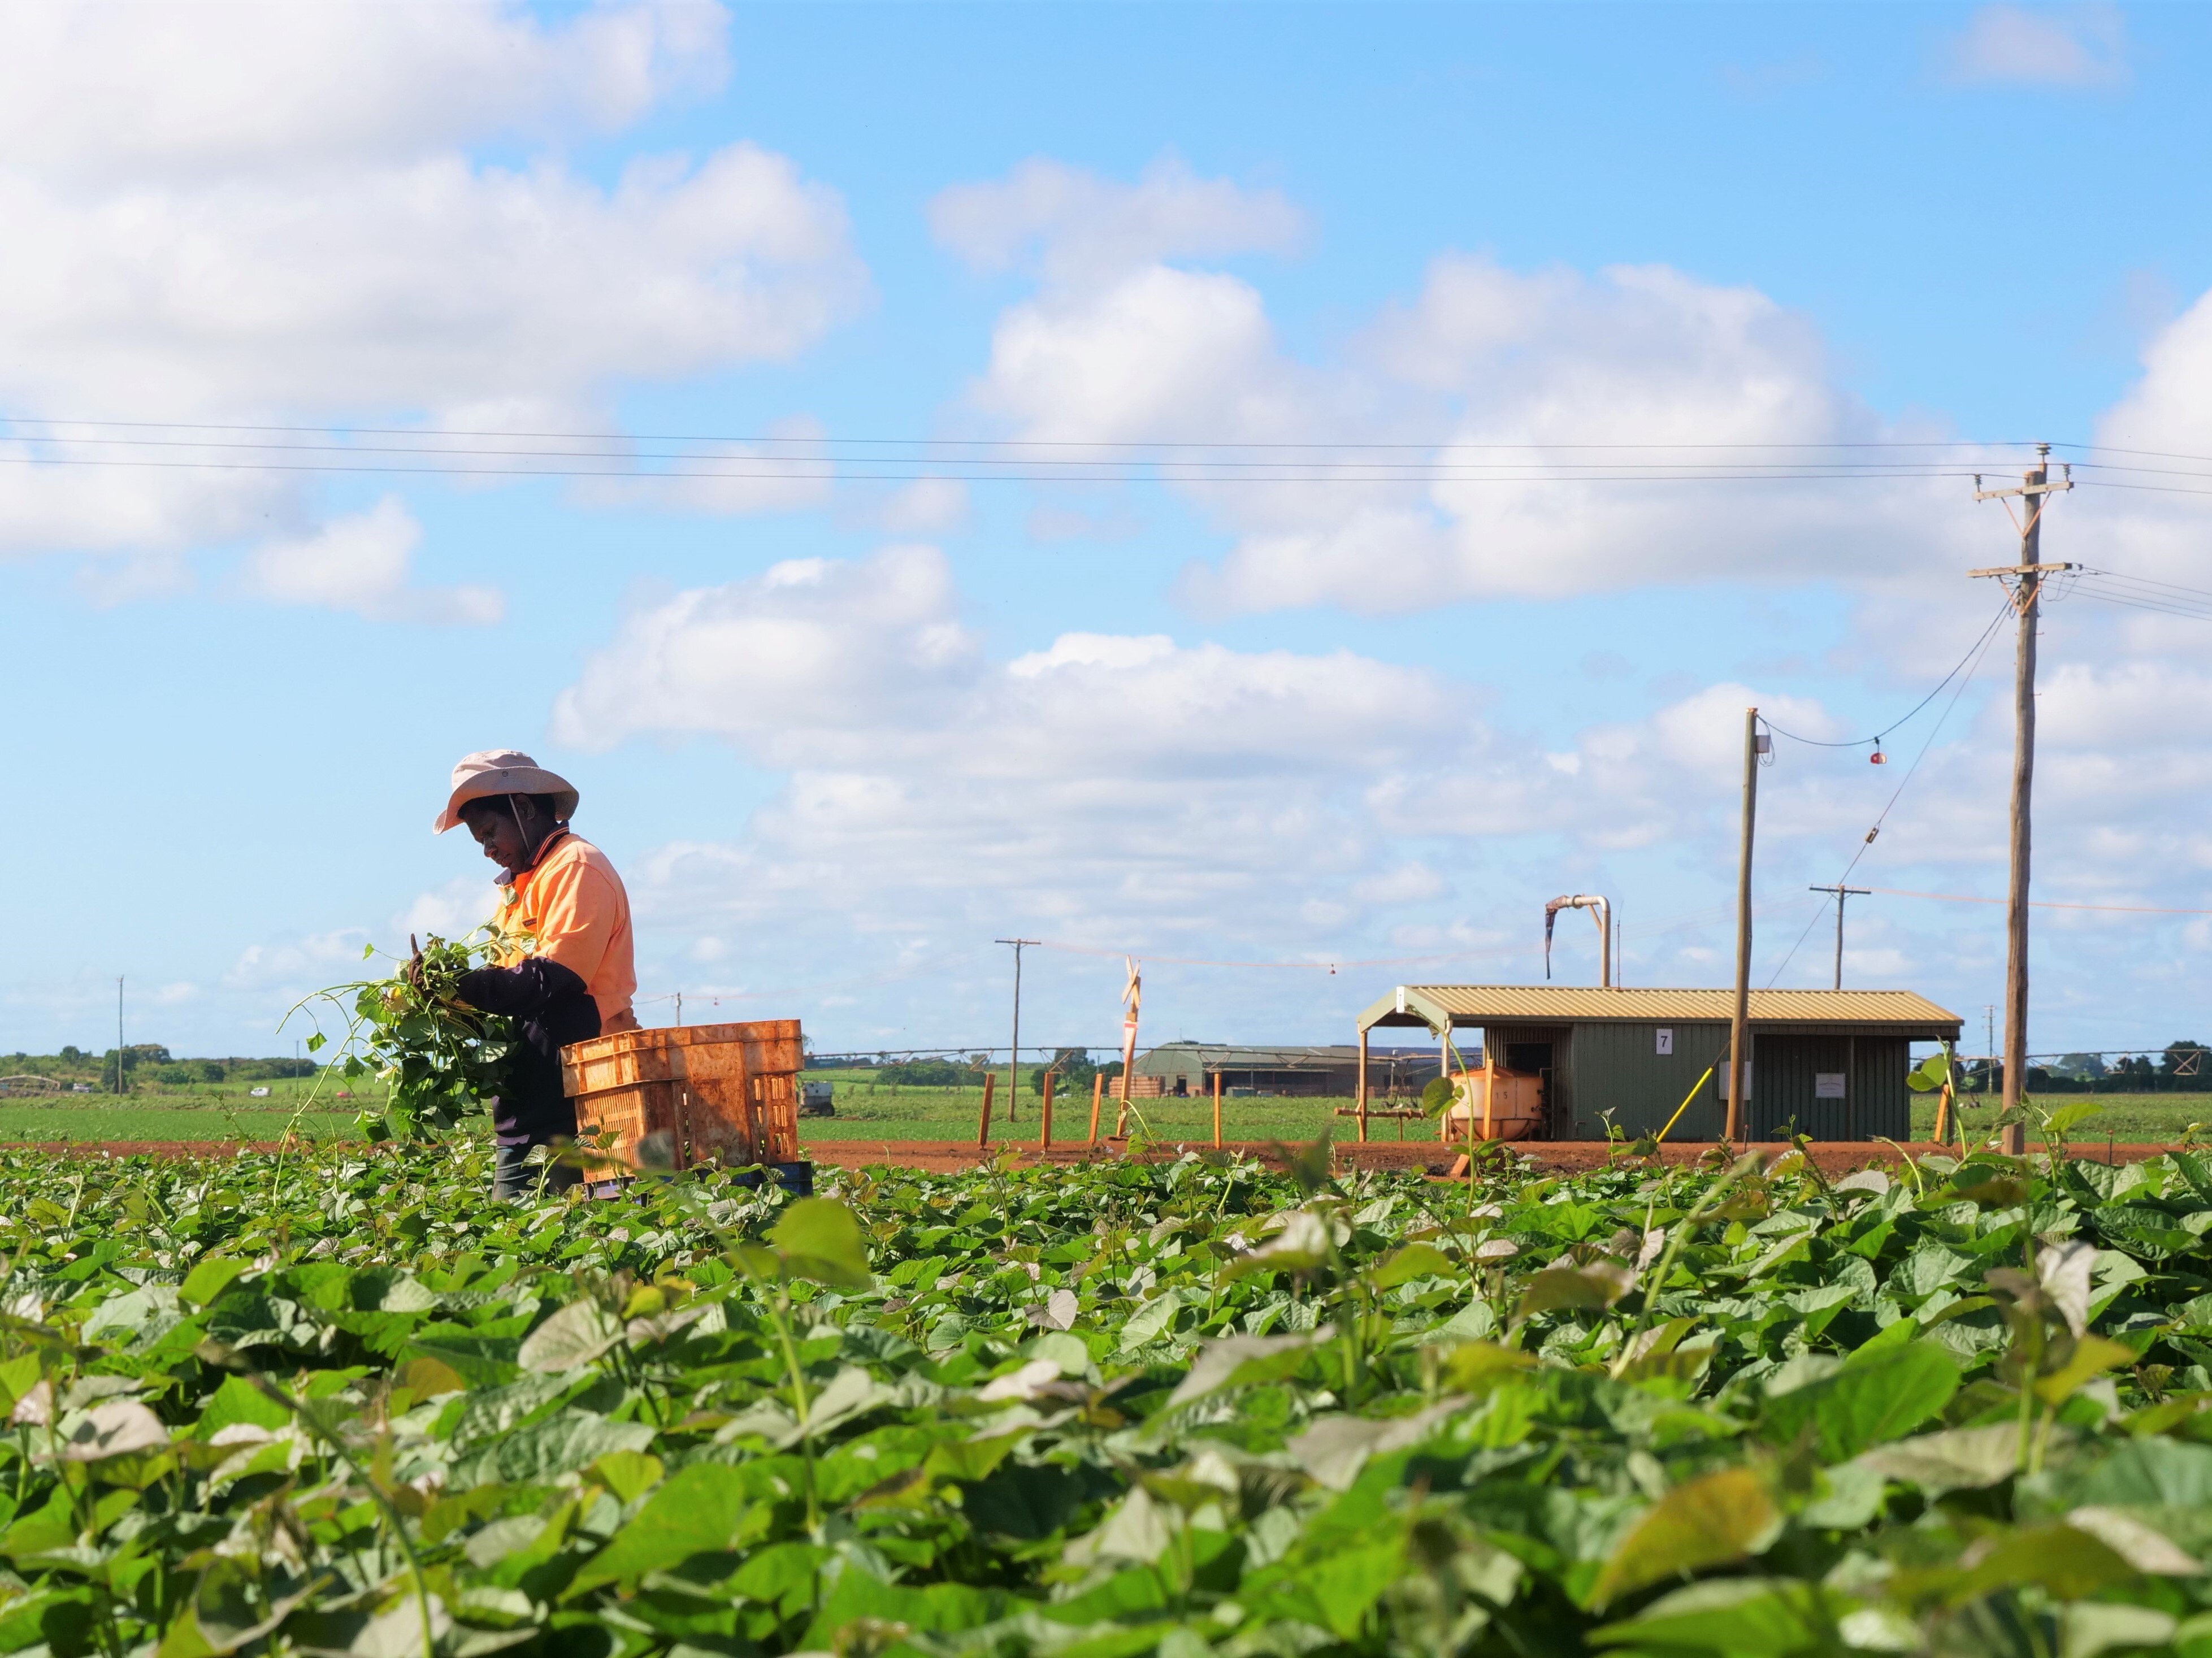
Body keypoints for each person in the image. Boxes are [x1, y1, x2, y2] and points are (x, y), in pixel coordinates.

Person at [427, 750, 640, 1198]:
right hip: (534, 1106)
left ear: (523, 809)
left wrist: (464, 984)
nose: (488, 851)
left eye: (490, 833)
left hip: (581, 1101)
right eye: (480, 842)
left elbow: (554, 979)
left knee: (547, 1247)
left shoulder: (575, 867)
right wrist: (445, 995)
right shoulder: (522, 885)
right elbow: (508, 989)